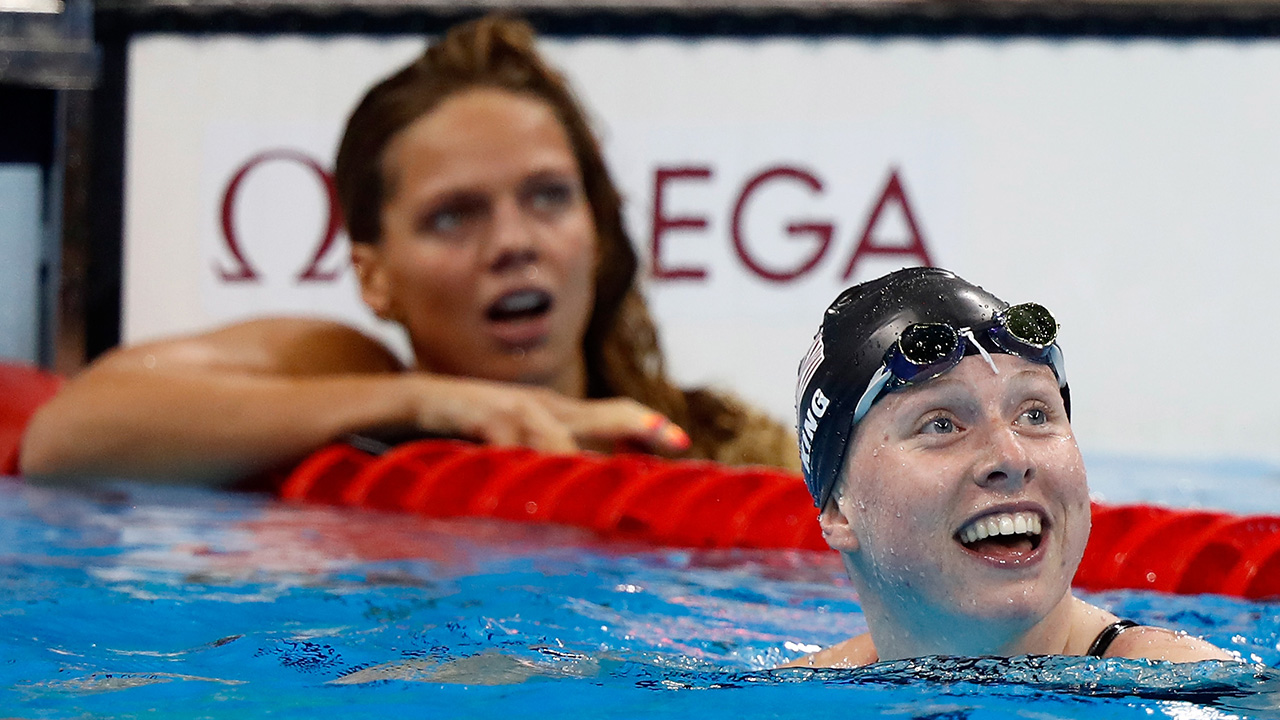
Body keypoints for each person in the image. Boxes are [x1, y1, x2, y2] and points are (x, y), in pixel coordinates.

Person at [20, 15, 797, 485]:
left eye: (548, 196)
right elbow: (67, 439)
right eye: (453, 216)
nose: (514, 243)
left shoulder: (718, 447)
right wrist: (426, 401)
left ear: (596, 229)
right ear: (374, 275)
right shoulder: (351, 381)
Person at [785, 267, 1233, 666]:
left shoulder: (1193, 689)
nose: (1012, 458)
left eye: (1035, 415)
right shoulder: (789, 700)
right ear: (840, 511)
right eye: (941, 424)